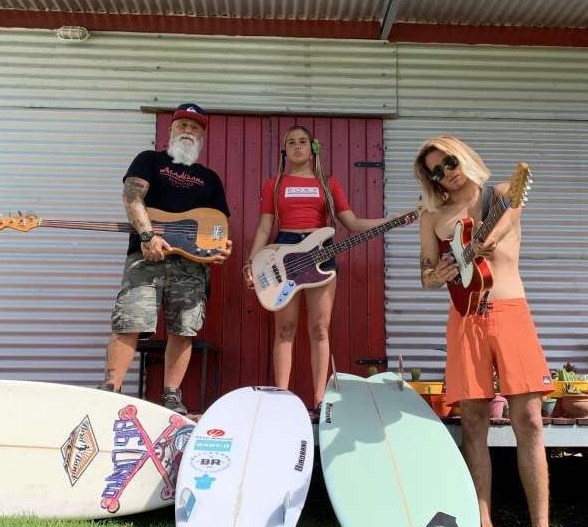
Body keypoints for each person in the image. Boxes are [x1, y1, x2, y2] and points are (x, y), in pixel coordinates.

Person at [414, 135, 572, 527]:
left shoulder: (503, 193)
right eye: (436, 170)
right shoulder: (433, 216)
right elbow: (426, 275)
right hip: (464, 319)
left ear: (462, 156)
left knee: (530, 421)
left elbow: (503, 226)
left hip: (509, 310)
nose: (446, 172)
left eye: (449, 161)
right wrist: (440, 271)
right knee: (475, 424)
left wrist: (480, 242)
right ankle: (483, 526)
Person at [98, 103, 232, 414]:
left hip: (191, 265)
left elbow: (218, 225)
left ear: (202, 136)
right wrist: (146, 236)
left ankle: (172, 396)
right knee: (129, 321)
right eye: (183, 124)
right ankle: (110, 391)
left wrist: (221, 247)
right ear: (171, 129)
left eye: (195, 127)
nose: (188, 130)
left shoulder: (209, 179)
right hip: (146, 258)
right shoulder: (149, 161)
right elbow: (132, 196)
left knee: (184, 328)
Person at [244, 125, 388, 409]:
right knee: (285, 328)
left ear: (313, 148)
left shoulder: (328, 183)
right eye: (292, 142)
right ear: (285, 150)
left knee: (320, 329)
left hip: (320, 252)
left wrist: (393, 219)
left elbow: (353, 223)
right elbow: (264, 227)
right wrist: (251, 263)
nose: (298, 146)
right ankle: (281, 398)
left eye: (303, 141)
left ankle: (320, 399)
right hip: (283, 252)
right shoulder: (274, 184)